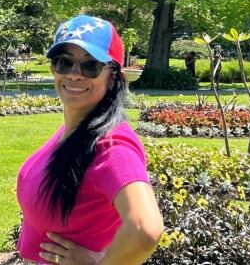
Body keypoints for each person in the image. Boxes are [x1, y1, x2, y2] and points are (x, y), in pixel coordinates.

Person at [16, 15, 164, 265]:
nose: (75, 75)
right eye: (64, 63)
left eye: (90, 65)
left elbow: (145, 229)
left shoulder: (111, 146)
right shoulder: (77, 132)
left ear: (114, 76)